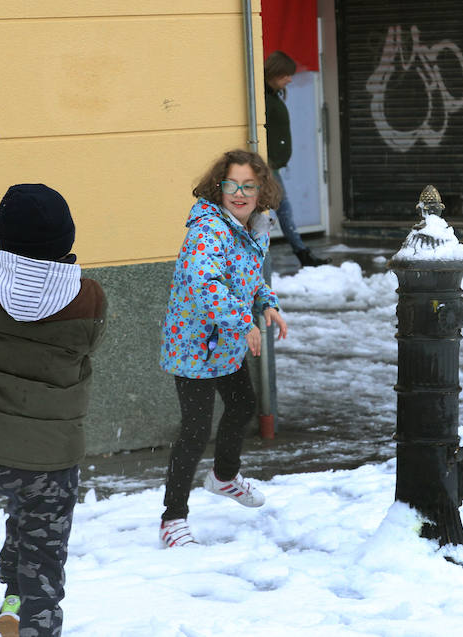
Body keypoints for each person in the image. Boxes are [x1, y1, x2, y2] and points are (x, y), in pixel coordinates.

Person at [0, 112, 107, 636]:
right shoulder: (89, 300)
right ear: (66, 238)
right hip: (49, 461)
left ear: (4, 238)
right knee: (45, 551)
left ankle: (13, 595)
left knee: (23, 503)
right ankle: (32, 618)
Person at [158, 149, 288, 548]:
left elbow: (247, 277)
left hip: (226, 342)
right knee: (195, 431)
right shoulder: (208, 229)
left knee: (242, 407)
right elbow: (206, 283)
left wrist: (267, 303)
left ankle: (224, 478)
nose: (240, 193)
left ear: (261, 189)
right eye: (232, 185)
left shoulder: (255, 225)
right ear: (220, 186)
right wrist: (242, 321)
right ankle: (172, 518)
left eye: (249, 186)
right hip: (194, 343)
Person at [264, 50, 331, 268]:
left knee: (279, 209)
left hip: (271, 165)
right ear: (274, 73)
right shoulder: (263, 98)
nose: (290, 79)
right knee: (283, 208)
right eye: (286, 75)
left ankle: (301, 253)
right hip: (266, 166)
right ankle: (302, 253)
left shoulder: (272, 96)